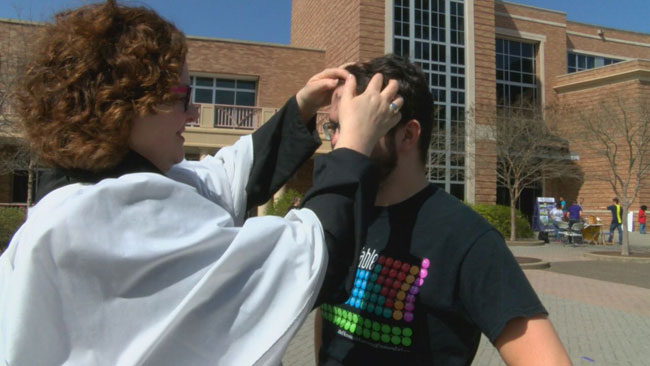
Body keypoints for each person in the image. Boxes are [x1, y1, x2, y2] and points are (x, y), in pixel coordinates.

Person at [0, 2, 405, 365]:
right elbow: (307, 257)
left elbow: (227, 177)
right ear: (127, 105)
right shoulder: (98, 220)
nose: (194, 112)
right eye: (183, 96)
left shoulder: (96, 188)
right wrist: (353, 146)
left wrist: (301, 105)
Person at [314, 55, 570, 365]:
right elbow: (327, 323)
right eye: (334, 126)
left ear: (408, 135)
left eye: (357, 125)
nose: (339, 141)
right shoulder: (341, 215)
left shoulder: (467, 238)